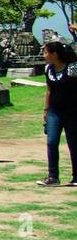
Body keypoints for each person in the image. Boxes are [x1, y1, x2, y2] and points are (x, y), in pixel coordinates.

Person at [38, 40, 77, 186]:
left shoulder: (72, 68)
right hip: (54, 111)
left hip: (72, 112)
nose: (44, 55)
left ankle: (76, 177)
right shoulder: (48, 69)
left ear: (54, 54)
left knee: (73, 143)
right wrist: (46, 109)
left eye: (46, 52)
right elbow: (49, 90)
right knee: (52, 142)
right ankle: (53, 176)